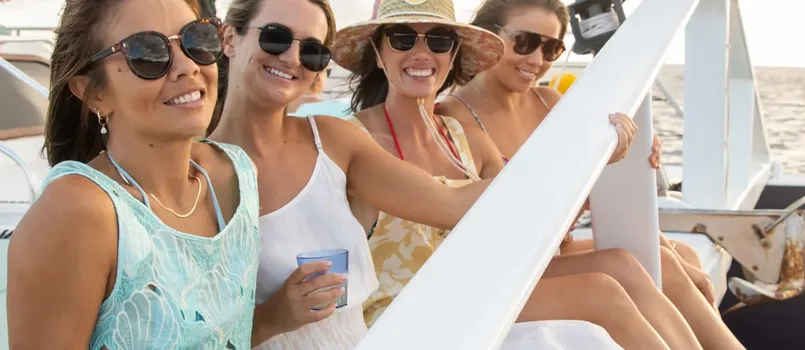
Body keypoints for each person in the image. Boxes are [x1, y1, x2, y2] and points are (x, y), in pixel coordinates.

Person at [207, 0, 625, 348]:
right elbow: (183, 334)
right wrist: (273, 317)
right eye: (275, 37)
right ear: (229, 37)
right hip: (394, 327)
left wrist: (586, 150)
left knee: (584, 338)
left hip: (377, 339)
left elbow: (453, 204)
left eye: (313, 50)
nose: (293, 58)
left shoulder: (331, 140)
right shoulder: (197, 169)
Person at [331, 0, 734, 349]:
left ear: (452, 54)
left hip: (480, 277)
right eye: (403, 39)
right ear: (378, 53)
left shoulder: (456, 133)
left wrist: (609, 157)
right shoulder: (353, 137)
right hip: (413, 306)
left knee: (624, 268)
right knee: (602, 292)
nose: (422, 53)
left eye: (438, 40)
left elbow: (519, 210)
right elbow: (489, 200)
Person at [7, 0, 261, 348]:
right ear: (92, 92)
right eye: (148, 52)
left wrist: (282, 314)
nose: (188, 66)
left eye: (197, 38)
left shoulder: (236, 174)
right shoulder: (77, 214)